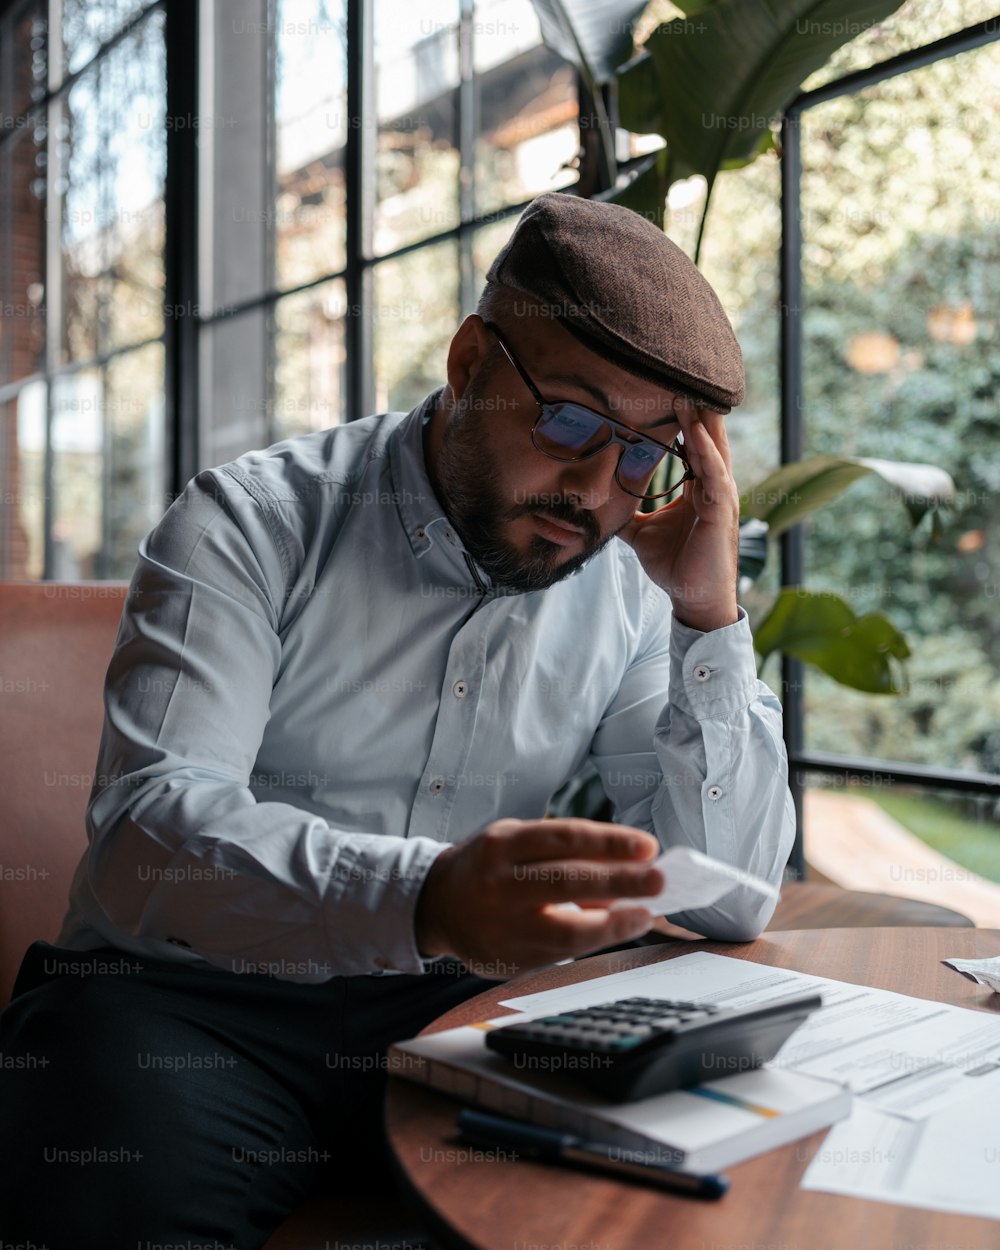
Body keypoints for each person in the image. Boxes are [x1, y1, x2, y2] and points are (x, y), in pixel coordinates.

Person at [0, 193, 794, 1247]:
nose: (599, 489)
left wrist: (706, 615)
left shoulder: (634, 585)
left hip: (453, 1016)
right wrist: (428, 898)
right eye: (570, 419)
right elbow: (155, 835)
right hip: (181, 1004)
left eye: (647, 453)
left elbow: (729, 899)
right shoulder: (249, 522)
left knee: (667, 1197)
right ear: (469, 362)